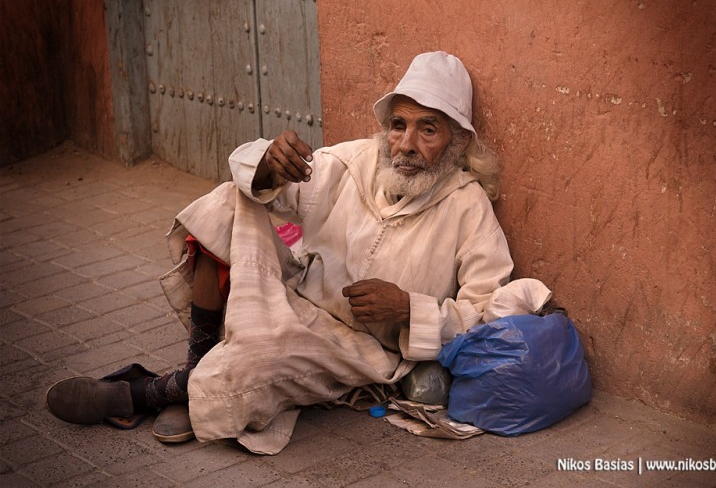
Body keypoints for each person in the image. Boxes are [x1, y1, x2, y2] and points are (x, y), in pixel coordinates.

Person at [45, 51, 551, 454]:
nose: (406, 144)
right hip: (294, 293)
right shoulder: (354, 161)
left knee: (251, 363)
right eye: (399, 124)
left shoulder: (468, 208)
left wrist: (410, 310)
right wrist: (267, 164)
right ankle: (195, 366)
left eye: (429, 129)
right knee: (230, 200)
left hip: (357, 348)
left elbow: (488, 316)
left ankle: (141, 393)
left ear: (458, 143)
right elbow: (266, 188)